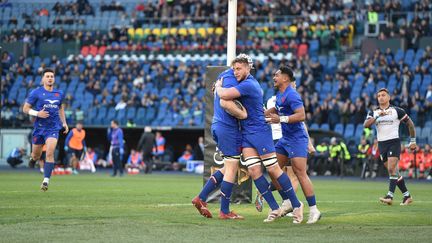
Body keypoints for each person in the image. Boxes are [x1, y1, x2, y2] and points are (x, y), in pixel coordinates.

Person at [215, 57, 303, 223]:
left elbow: (225, 95)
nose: (236, 72)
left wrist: (218, 86)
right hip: (247, 133)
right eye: (234, 69)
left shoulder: (249, 84)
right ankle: (275, 208)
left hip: (260, 131)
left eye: (239, 68)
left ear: (248, 68)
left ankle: (297, 205)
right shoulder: (245, 83)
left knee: (274, 170)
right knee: (255, 172)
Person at [192, 54, 248, 220]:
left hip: (219, 125)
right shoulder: (231, 79)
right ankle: (224, 211)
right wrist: (243, 115)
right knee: (232, 168)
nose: (237, 72)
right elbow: (226, 101)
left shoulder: (222, 76)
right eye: (236, 68)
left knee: (226, 167)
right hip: (227, 127)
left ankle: (201, 197)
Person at [265, 66, 321, 224]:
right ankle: (289, 201)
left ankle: (314, 209)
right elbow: (276, 109)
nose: (274, 77)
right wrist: (263, 114)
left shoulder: (292, 94)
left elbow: (301, 115)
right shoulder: (280, 94)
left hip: (297, 139)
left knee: (300, 173)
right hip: (285, 139)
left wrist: (281, 119)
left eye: (277, 74)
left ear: (285, 78)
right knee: (272, 169)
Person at [364, 88, 416, 206]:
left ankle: (390, 196)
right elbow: (366, 125)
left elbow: (410, 124)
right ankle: (407, 195)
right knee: (393, 171)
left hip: (394, 142)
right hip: (382, 144)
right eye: (378, 96)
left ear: (389, 97)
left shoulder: (396, 111)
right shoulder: (373, 112)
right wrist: (377, 117)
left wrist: (412, 141)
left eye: (383, 95)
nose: (381, 97)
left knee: (392, 168)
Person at [23, 68, 68, 191]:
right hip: (39, 128)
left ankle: (46, 181)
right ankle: (33, 159)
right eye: (47, 76)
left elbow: (61, 109)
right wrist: (37, 113)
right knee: (36, 154)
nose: (50, 78)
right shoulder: (36, 92)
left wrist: (64, 123)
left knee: (49, 153)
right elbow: (25, 109)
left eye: (52, 76)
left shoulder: (59, 93)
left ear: (54, 79)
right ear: (43, 78)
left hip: (53, 128)